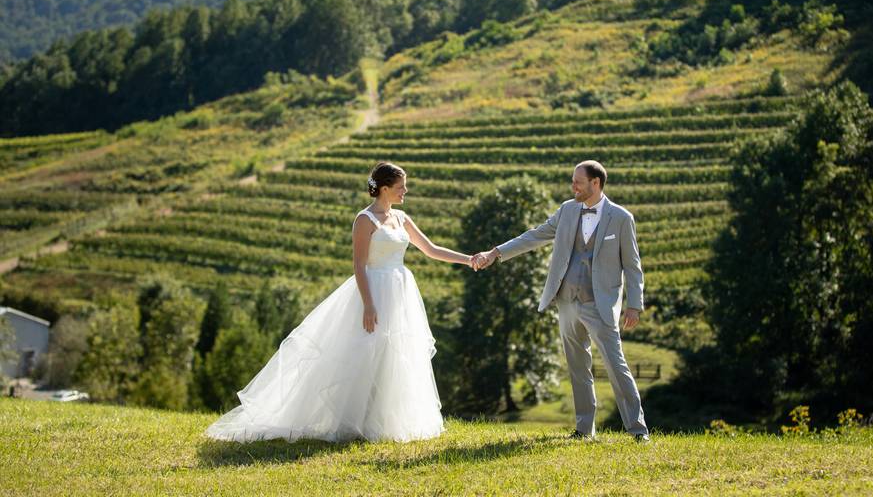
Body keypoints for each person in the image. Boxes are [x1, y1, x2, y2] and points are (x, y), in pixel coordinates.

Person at [205, 161, 476, 443]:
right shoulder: (364, 220)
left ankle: (383, 423)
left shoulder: (402, 218)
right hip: (373, 290)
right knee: (363, 356)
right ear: (384, 189)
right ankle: (349, 422)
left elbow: (431, 250)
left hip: (400, 291)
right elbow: (359, 266)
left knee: (394, 356)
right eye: (400, 187)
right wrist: (369, 304)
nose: (405, 191)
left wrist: (468, 259)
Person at [471, 160, 651, 443]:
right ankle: (584, 430)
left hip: (600, 303)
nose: (573, 186)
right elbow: (534, 236)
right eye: (573, 181)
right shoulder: (567, 210)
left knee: (616, 367)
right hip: (566, 300)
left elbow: (632, 265)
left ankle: (638, 430)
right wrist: (495, 253)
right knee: (577, 367)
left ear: (596, 183)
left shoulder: (621, 218)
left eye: (578, 181)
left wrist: (634, 304)